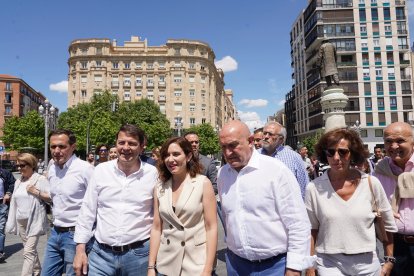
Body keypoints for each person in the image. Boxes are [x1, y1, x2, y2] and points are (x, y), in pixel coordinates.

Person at [218, 120, 314, 275]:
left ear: (250, 141)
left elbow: (298, 223)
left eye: (233, 145)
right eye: (223, 147)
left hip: (275, 267)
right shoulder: (222, 174)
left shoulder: (276, 171)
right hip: (236, 266)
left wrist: (294, 268)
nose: (228, 152)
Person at [305, 128, 396, 276]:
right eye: (330, 152)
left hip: (367, 262)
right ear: (324, 154)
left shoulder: (371, 184)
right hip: (329, 263)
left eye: (343, 152)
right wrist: (310, 266)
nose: (336, 157)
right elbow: (311, 230)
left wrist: (389, 260)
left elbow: (387, 224)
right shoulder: (313, 188)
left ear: (352, 153)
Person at [73, 124, 159, 276]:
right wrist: (80, 249)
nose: (126, 147)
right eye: (121, 142)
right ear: (116, 144)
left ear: (141, 147)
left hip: (139, 257)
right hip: (100, 257)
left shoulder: (153, 174)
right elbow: (87, 211)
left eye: (132, 143)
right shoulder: (101, 170)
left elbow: (159, 218)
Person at [148, 137, 218, 276]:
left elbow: (211, 228)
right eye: (166, 155)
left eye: (176, 154)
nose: (170, 159)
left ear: (188, 156)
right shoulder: (160, 187)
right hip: (167, 263)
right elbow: (157, 227)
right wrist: (151, 266)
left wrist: (208, 269)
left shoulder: (202, 183)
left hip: (196, 263)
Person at [41, 129, 94, 276]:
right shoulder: (52, 169)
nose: (56, 151)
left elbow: (97, 203)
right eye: (53, 147)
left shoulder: (85, 169)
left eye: (62, 146)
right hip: (55, 232)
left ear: (73, 147)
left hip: (75, 235)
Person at [373, 122, 414, 275]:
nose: (394, 146)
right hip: (394, 246)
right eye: (388, 141)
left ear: (412, 141)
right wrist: (379, 212)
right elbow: (371, 205)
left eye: (400, 141)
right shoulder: (379, 172)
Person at [6, 153, 50, 276]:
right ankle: (36, 271)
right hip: (21, 220)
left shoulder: (39, 179)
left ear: (31, 165)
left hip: (34, 220)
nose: (19, 168)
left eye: (22, 165)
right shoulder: (18, 181)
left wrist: (35, 191)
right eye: (18, 165)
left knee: (28, 252)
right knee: (29, 250)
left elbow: (50, 198)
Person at [260, 121, 309, 199]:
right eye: (264, 133)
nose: (266, 136)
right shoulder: (254, 155)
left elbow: (304, 187)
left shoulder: (294, 158)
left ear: (281, 139)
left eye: (270, 134)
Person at [0, 165, 16, 262]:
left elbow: (12, 183)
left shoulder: (5, 173)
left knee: (0, 228)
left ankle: (0, 252)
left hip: (2, 203)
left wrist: (8, 193)